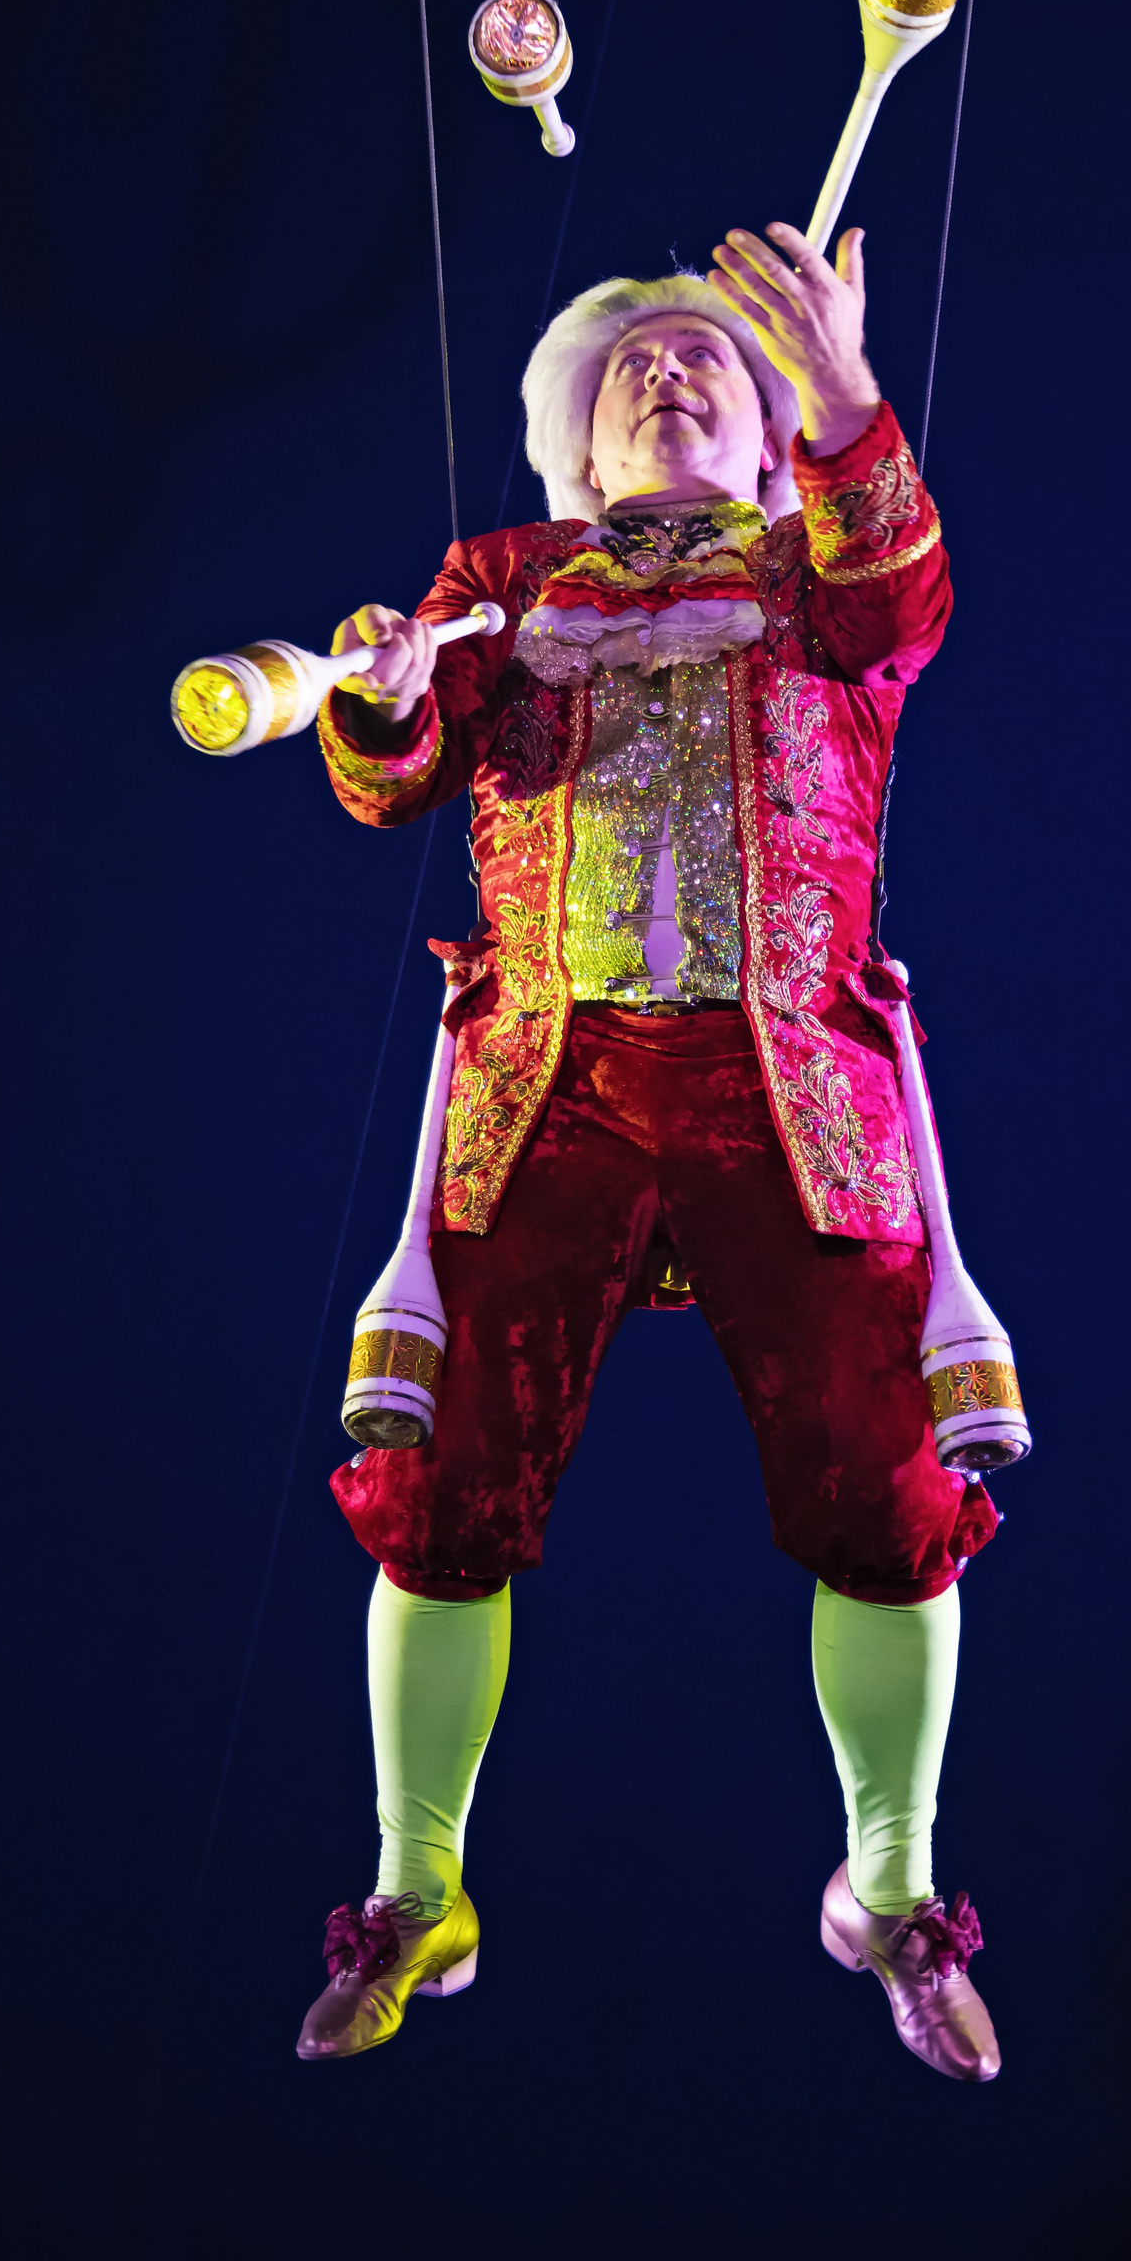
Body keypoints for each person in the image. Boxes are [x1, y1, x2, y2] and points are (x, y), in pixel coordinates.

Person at [294, 221, 1001, 2081]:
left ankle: (893, 1890)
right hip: (552, 1077)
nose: (668, 378)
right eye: (631, 372)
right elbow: (391, 778)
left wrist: (842, 386)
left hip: (793, 1081)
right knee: (442, 1482)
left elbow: (904, 597)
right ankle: (415, 1890)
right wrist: (380, 693)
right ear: (579, 443)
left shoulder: (817, 571)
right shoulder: (503, 584)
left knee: (888, 1487)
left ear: (765, 435)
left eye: (705, 364)